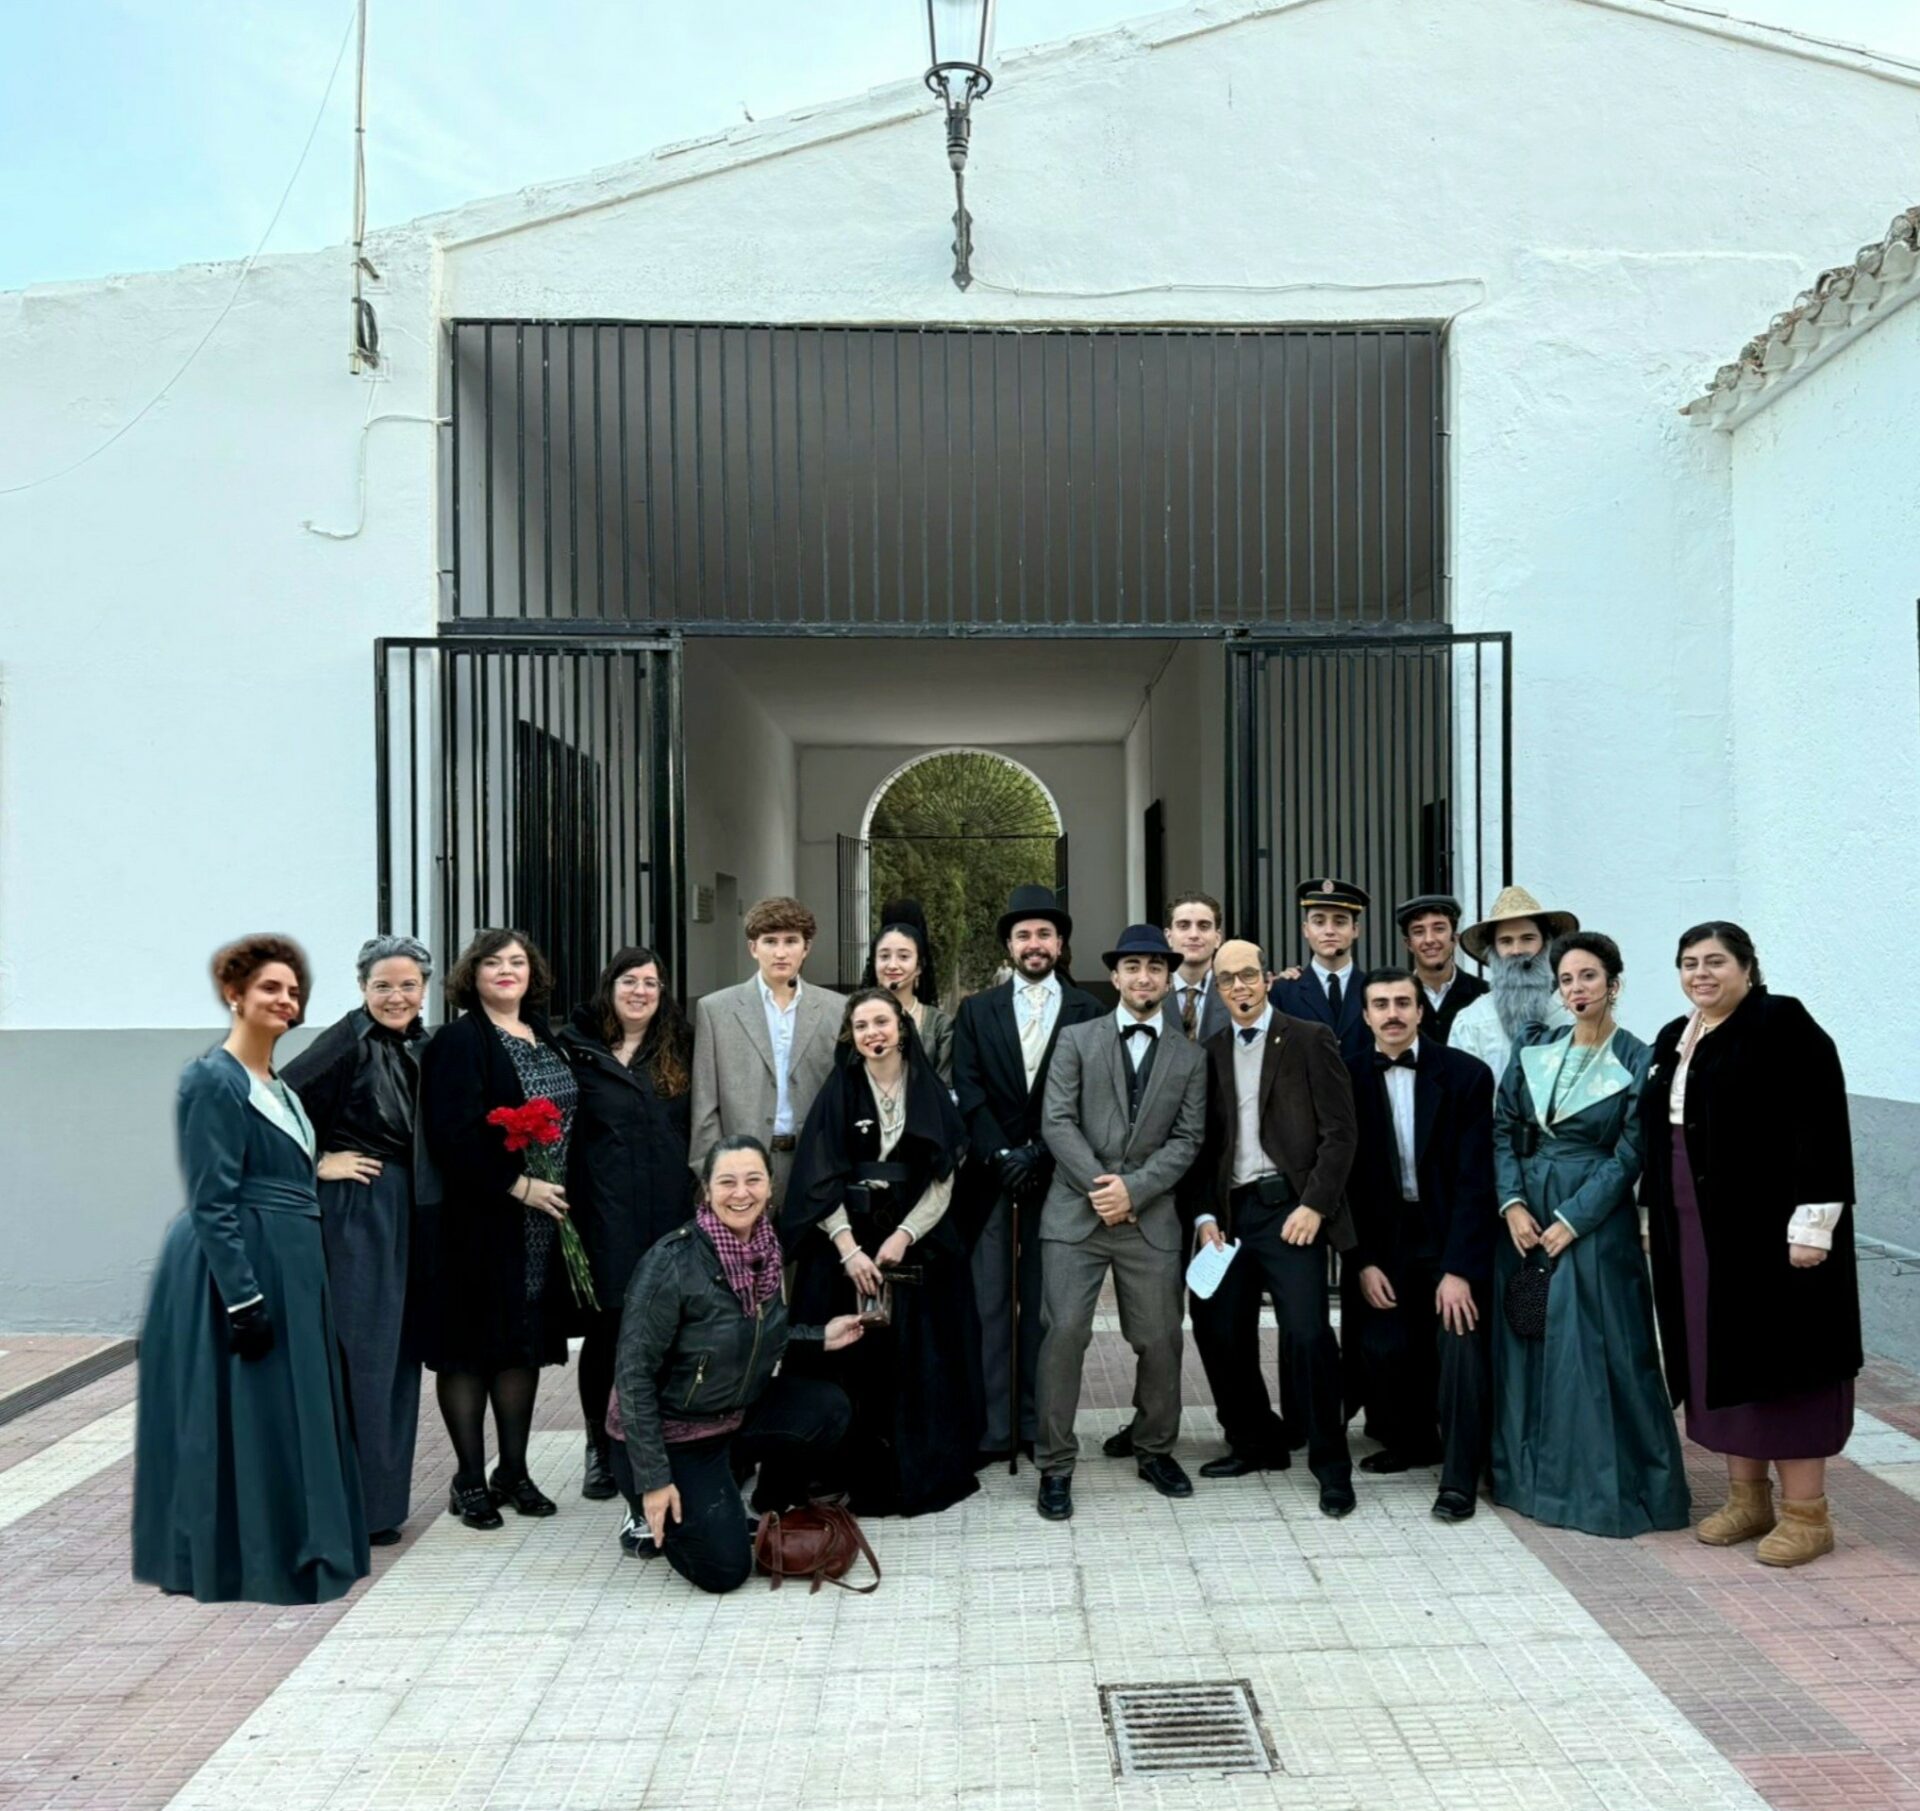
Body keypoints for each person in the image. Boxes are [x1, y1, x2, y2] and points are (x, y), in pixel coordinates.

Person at [134, 936, 369, 1603]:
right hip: (242, 1266)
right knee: (248, 1416)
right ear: (234, 994)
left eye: (293, 991)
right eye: (270, 987)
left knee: (286, 1413)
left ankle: (297, 1548)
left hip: (293, 1262)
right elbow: (212, 1197)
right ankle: (248, 1559)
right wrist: (243, 1298)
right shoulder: (211, 1078)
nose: (284, 1000)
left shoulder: (278, 1086)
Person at [1641, 923, 1859, 1568]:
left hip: (1772, 1233)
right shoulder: (1674, 1037)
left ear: (1747, 967)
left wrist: (1813, 1226)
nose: (1700, 974)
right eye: (1688, 963)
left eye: (1715, 962)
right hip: (1698, 1227)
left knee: (1786, 1363)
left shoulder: (1780, 1024)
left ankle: (1806, 1514)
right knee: (1720, 1356)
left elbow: (1820, 1122)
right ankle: (1748, 1498)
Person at [1490, 932, 1688, 1538]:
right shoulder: (1535, 1047)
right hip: (1528, 1211)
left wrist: (1573, 1219)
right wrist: (1513, 1204)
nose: (1576, 990)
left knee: (1598, 1351)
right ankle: (1530, 1482)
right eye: (1567, 980)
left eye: (1589, 978)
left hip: (1594, 1222)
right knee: (1530, 1343)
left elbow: (1631, 1152)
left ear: (1614, 984)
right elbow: (1504, 1126)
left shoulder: (1638, 1058)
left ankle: (1607, 1492)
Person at [614, 1136, 864, 1594]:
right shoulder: (670, 1263)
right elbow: (633, 1377)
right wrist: (652, 1479)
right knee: (724, 1571)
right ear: (705, 1192)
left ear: (770, 1188)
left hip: (730, 1415)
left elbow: (746, 1340)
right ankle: (644, 1507)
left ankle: (748, 1497)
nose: (741, 1193)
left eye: (754, 1180)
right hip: (673, 1435)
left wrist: (819, 1337)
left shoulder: (765, 1251)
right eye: (727, 1182)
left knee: (828, 1408)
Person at [783, 990, 982, 1515]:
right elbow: (819, 1175)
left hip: (912, 1240)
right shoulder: (839, 1090)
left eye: (882, 1022)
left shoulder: (928, 1089)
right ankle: (838, 1473)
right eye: (863, 1024)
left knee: (919, 1359)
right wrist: (849, 1250)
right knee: (850, 1358)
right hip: (845, 1242)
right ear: (851, 1034)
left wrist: (906, 1234)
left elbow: (944, 1176)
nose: (874, 1033)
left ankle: (912, 1473)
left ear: (901, 1027)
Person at [1032, 925, 1208, 1520]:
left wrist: (1135, 1190)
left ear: (1168, 977)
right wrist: (1102, 1188)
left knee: (1159, 1338)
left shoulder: (1191, 1055)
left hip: (1150, 1217)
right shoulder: (1077, 1039)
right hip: (1074, 1213)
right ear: (1115, 976)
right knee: (1064, 1336)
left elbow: (1189, 1138)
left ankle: (1154, 1445)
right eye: (1132, 967)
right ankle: (1055, 1462)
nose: (1143, 977)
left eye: (1155, 968)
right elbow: (1055, 1122)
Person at [1184, 939, 1359, 1516]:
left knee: (1307, 1333)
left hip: (1291, 1211)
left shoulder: (1309, 1038)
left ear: (1267, 979)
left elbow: (1340, 1133)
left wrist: (1314, 1205)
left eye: (1248, 976)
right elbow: (1202, 1147)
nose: (1239, 987)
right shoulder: (1204, 1051)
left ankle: (1331, 1466)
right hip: (1230, 1216)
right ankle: (1255, 1441)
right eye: (1227, 978)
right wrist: (1206, 1216)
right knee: (1216, 1327)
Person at [418, 929, 577, 1530]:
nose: (507, 971)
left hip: (540, 1228)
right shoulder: (459, 1042)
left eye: (517, 961)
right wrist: (519, 1186)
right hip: (480, 1221)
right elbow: (451, 1133)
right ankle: (467, 1479)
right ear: (473, 974)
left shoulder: (545, 1037)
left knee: (522, 1344)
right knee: (470, 1350)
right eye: (493, 962)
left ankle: (513, 1470)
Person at [282, 934, 432, 1545]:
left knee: (397, 1360)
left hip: (408, 1210)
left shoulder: (421, 1041)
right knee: (361, 1358)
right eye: (382, 986)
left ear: (424, 988)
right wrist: (319, 1161)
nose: (396, 996)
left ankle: (377, 1506)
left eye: (407, 985)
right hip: (358, 1212)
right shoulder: (344, 1042)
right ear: (362, 988)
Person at [951, 884, 1104, 1461]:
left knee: (1047, 1309)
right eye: (1023, 935)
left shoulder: (1090, 1010)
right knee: (990, 1307)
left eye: (1044, 934)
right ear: (1009, 945)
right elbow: (968, 1090)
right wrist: (1000, 1156)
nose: (1034, 944)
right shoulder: (976, 1010)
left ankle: (1041, 1425)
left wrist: (1040, 1152)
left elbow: (1091, 1097)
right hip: (992, 1180)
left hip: (1059, 1179)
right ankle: (995, 1428)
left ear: (1060, 943)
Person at [1344, 971, 1496, 1521]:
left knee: (1458, 1345)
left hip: (1448, 1233)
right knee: (1381, 1347)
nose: (1392, 1013)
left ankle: (1459, 1477)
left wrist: (1458, 1269)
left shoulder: (1467, 1076)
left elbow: (1479, 1181)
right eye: (1380, 1004)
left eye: (1403, 1003)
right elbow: (1343, 1179)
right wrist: (1360, 1261)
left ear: (1419, 1011)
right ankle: (1413, 1442)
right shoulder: (1347, 1075)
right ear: (1364, 1015)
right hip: (1383, 1240)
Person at [558, 946, 697, 1535]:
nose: (641, 991)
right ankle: (599, 1445)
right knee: (609, 1332)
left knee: (671, 1330)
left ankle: (670, 1441)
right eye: (630, 981)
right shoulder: (576, 1047)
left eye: (652, 982)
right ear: (608, 986)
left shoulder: (682, 1045)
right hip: (605, 1213)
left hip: (670, 1211)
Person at [689, 896, 844, 1211]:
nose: (781, 951)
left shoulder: (836, 1009)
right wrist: (712, 1170)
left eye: (791, 941)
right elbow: (705, 1103)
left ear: (806, 948)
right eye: (770, 941)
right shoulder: (716, 1009)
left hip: (813, 1163)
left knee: (803, 1256)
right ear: (753, 948)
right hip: (739, 1167)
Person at [1448, 886, 1579, 1086]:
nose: (1517, 950)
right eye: (1506, 941)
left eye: (1527, 939)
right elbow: (1459, 1095)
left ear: (1546, 944)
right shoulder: (1472, 1021)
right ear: (1493, 950)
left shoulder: (1576, 1013)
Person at [1271, 877, 1372, 1062]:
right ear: (1306, 929)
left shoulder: (1372, 989)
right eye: (1319, 922)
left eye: (1340, 922)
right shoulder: (1283, 991)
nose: (1329, 931)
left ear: (1355, 930)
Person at [861, 905, 955, 1085]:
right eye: (884, 956)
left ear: (919, 966)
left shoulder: (940, 1026)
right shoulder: (853, 1018)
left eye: (903, 957)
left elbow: (946, 1087)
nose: (892, 965)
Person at [1394, 895, 1488, 1047]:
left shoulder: (1485, 995)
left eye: (1439, 929)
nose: (1429, 939)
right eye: (1418, 931)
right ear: (1409, 944)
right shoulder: (1395, 999)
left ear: (1455, 939)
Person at [1165, 891, 1231, 1042]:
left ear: (1217, 938)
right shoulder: (1149, 993)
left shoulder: (1236, 994)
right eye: (1183, 926)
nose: (1194, 934)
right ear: (1169, 937)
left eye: (1204, 926)